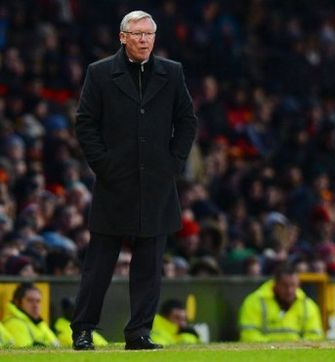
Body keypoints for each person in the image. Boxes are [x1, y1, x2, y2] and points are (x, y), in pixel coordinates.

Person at [71, 10, 197, 350]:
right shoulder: (99, 73)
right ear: (123, 37)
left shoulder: (172, 73)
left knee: (149, 266)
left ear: (155, 38)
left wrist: (173, 163)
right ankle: (83, 330)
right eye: (137, 34)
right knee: (99, 265)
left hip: (157, 182)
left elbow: (187, 121)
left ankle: (139, 333)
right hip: (115, 182)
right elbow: (85, 124)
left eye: (149, 34)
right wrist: (104, 166)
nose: (144, 40)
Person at [238, 264, 324, 342]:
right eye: (285, 285)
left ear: (298, 284)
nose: (289, 290)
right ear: (275, 284)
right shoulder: (254, 302)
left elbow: (315, 336)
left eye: (293, 285)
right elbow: (248, 335)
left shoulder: (308, 305)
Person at [2, 282, 60, 347]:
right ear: (17, 302)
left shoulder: (39, 323)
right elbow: (24, 354)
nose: (35, 305)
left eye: (38, 301)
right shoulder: (14, 323)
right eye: (30, 300)